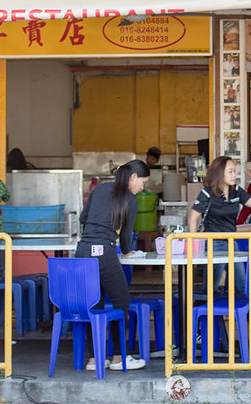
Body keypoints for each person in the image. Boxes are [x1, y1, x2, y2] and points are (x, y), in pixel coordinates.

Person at [75, 159, 150, 371]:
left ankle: (93, 360)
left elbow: (83, 218)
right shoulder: (131, 199)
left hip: (82, 252)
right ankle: (119, 358)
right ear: (133, 177)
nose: (143, 187)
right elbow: (126, 235)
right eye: (143, 182)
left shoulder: (99, 189)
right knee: (122, 302)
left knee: (94, 305)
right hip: (104, 252)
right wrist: (127, 251)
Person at [189, 156, 251, 295]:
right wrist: (193, 244)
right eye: (230, 171)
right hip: (214, 244)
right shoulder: (207, 192)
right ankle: (202, 315)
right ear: (219, 172)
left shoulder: (236, 190)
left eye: (234, 171)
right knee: (211, 285)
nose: (234, 174)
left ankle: (248, 315)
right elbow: (193, 217)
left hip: (232, 242)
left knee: (242, 285)